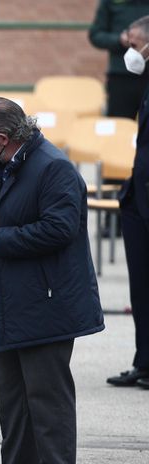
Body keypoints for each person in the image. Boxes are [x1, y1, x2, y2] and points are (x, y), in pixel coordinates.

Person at [0, 98, 104, 464]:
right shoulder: (6, 165)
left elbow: (60, 229)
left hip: (47, 303)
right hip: (11, 301)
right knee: (13, 400)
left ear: (3, 137)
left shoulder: (53, 167)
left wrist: (0, 236)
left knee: (47, 401)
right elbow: (17, 220)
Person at [110, 15, 149, 390]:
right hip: (139, 196)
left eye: (135, 46)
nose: (131, 53)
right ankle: (144, 360)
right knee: (141, 288)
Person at [89, 0, 149, 118]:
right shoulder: (111, 2)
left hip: (147, 75)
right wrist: (118, 40)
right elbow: (96, 34)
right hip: (121, 76)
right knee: (119, 122)